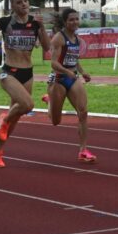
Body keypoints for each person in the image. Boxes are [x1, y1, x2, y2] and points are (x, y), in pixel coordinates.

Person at [0, 0, 50, 168]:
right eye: (19, 2)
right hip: (9, 72)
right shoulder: (6, 22)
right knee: (28, 105)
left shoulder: (35, 23)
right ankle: (4, 119)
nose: (24, 4)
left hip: (27, 72)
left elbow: (46, 47)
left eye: (26, 1)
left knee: (16, 117)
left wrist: (42, 27)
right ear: (12, 6)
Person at [42, 8, 96, 163]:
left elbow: (74, 59)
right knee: (55, 121)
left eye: (77, 19)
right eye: (71, 19)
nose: (75, 22)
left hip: (73, 78)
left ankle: (83, 150)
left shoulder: (77, 40)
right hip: (58, 79)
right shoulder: (59, 38)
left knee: (83, 112)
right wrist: (66, 71)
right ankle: (50, 101)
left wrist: (83, 72)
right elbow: (53, 63)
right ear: (65, 22)